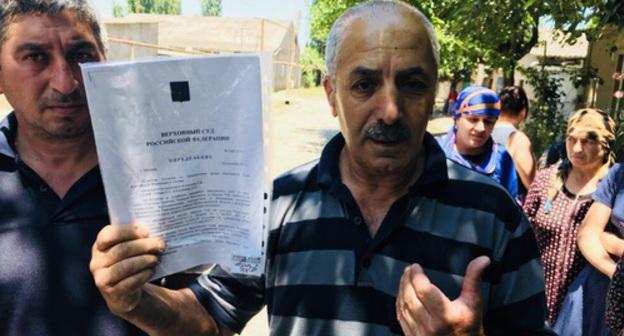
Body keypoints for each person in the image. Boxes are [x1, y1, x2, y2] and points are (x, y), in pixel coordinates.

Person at [89, 1, 553, 335]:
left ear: (434, 94)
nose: (389, 109)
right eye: (364, 84)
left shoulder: (494, 215)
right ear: (331, 95)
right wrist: (133, 300)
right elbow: (208, 318)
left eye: (411, 83)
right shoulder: (278, 203)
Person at [0, 1, 144, 335]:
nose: (65, 84)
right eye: (35, 57)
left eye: (81, 56)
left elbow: (208, 315)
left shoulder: (160, 171)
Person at [523, 108, 618, 335]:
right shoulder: (547, 180)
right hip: (537, 296)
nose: (576, 148)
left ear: (605, 145)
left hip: (587, 306)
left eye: (587, 141)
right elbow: (522, 231)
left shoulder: (614, 189)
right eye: (571, 139)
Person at [437, 85, 518, 198]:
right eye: (473, 119)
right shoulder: (434, 151)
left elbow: (509, 206)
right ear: (456, 118)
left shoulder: (501, 159)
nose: (481, 128)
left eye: (488, 121)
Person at [493, 86, 535, 204]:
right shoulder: (518, 139)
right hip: (506, 207)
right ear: (523, 112)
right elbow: (531, 184)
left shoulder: (483, 133)